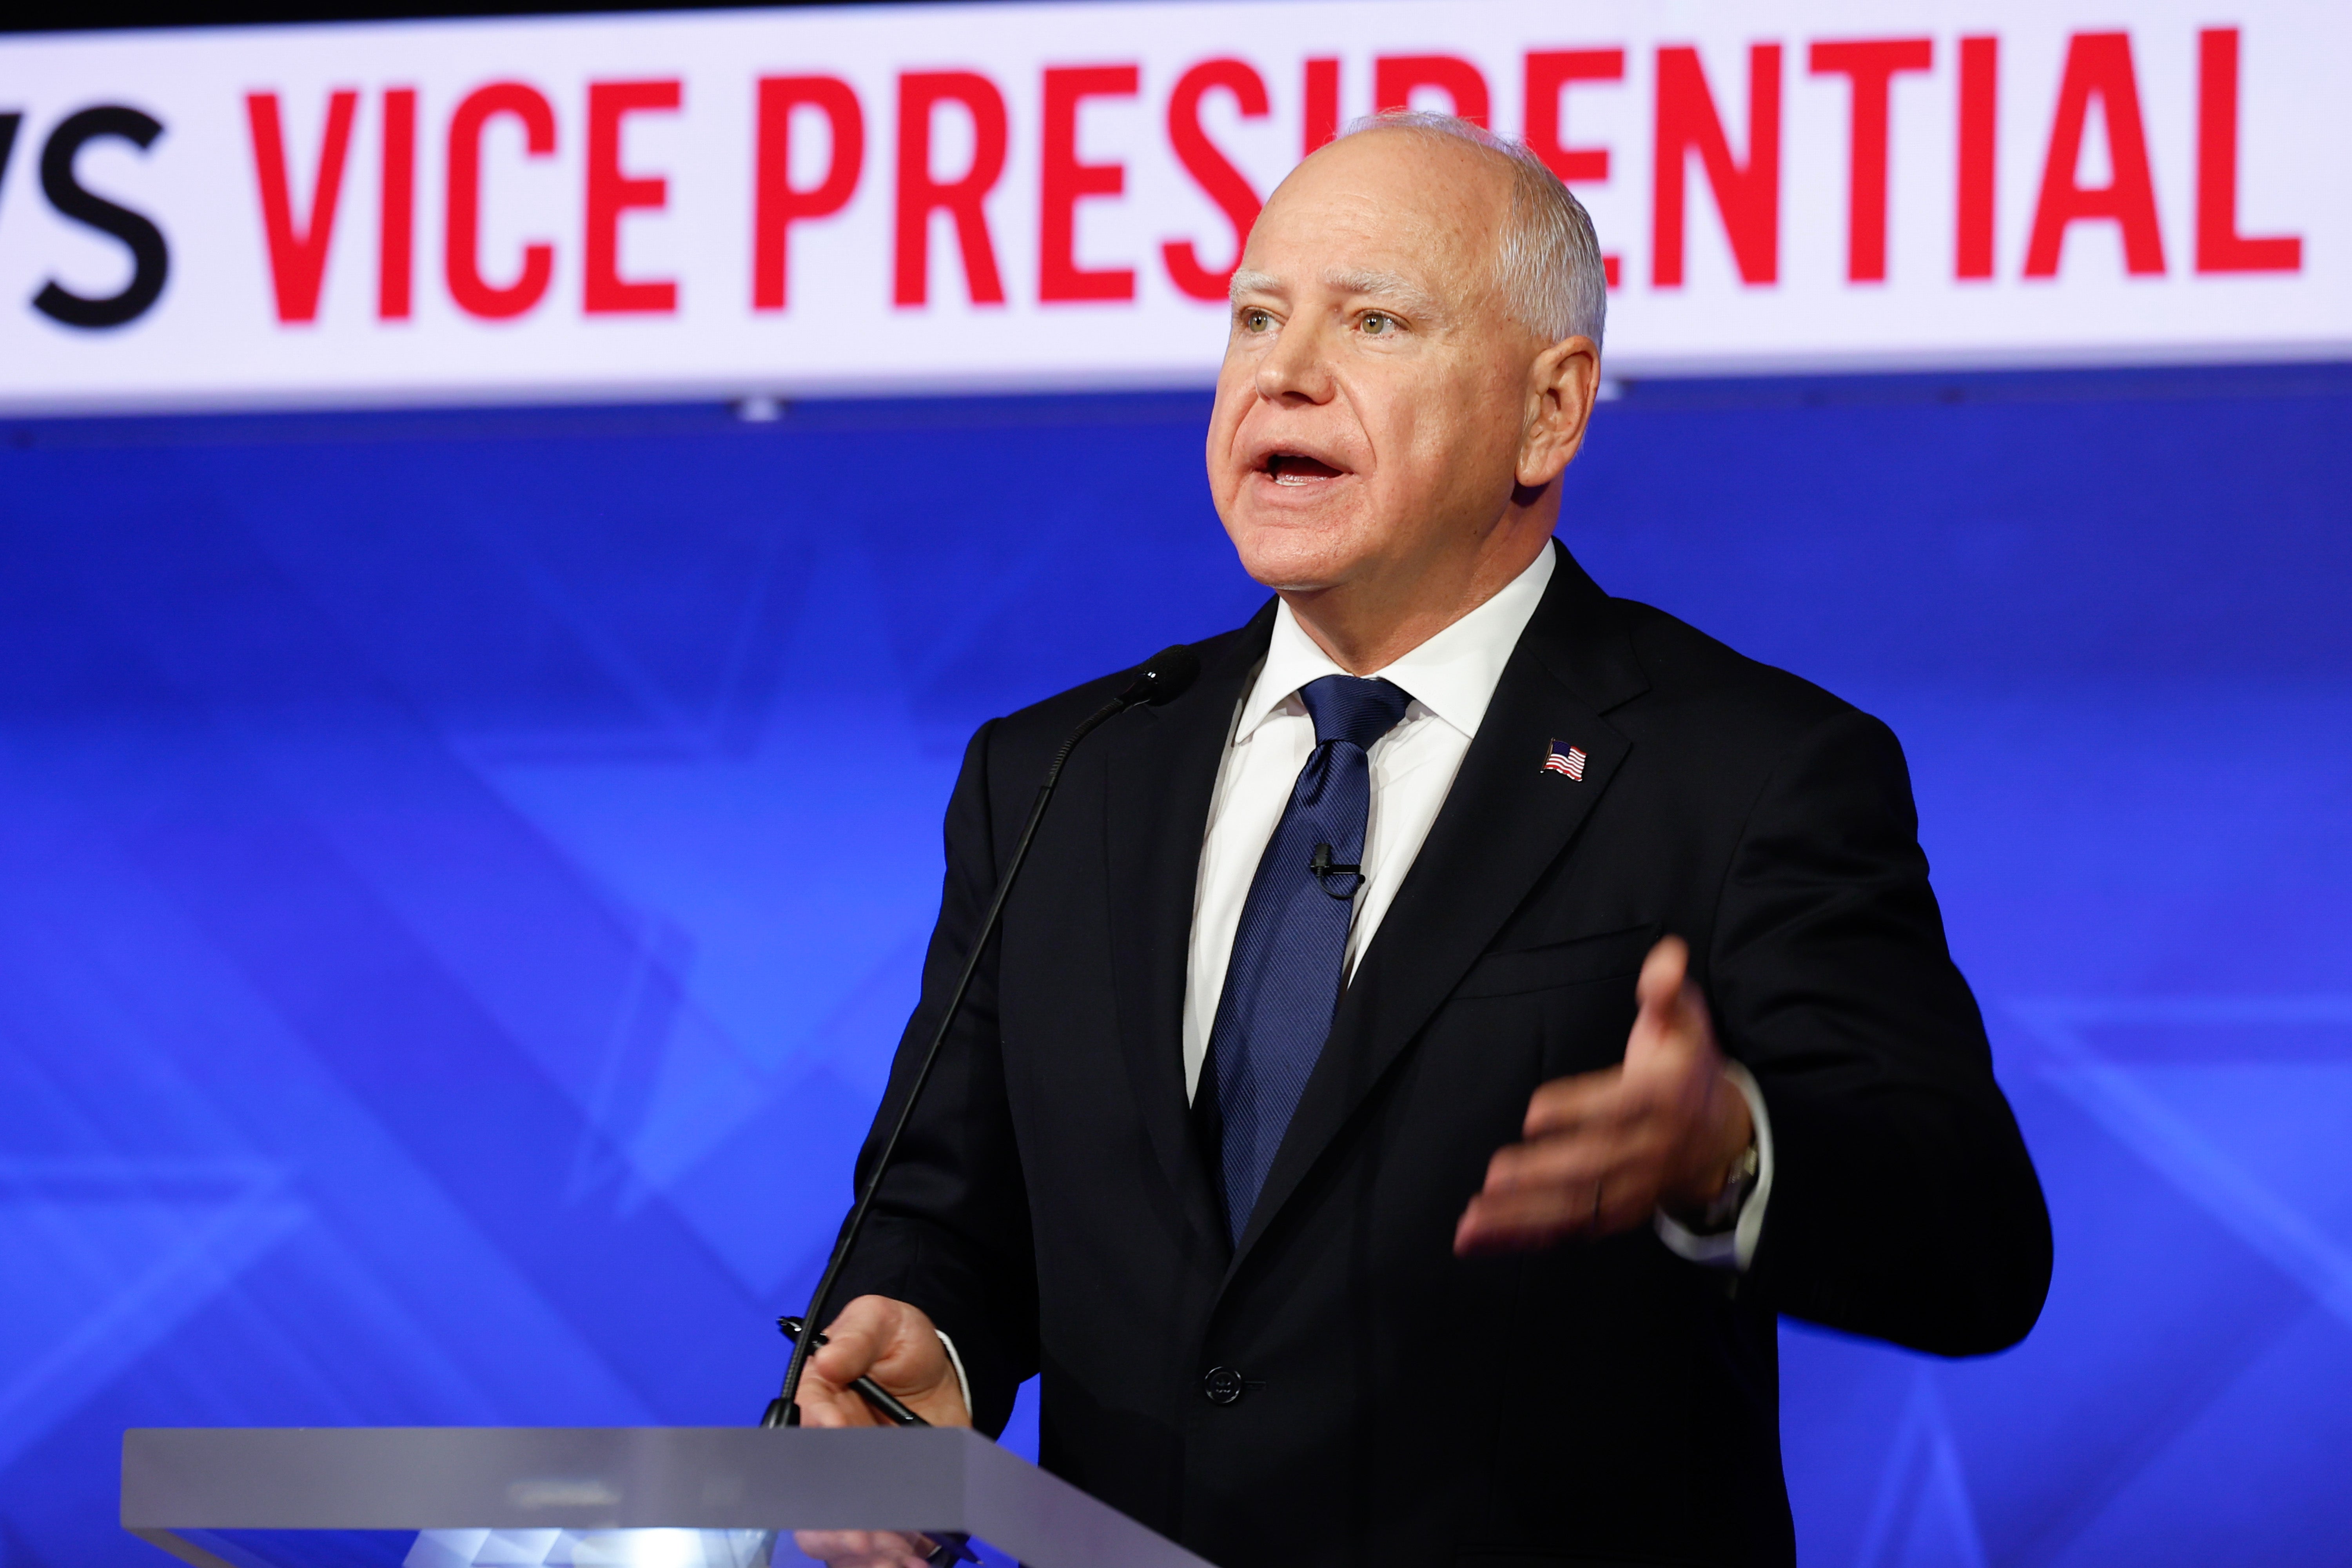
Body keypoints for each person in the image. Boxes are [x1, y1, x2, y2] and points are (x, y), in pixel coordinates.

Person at [791, 112, 2051, 1568]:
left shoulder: (1748, 772)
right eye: (1255, 316)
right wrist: (921, 1340)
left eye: (1372, 319)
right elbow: (944, 1204)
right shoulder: (1060, 771)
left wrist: (1731, 1155)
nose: (1286, 371)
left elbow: (1974, 1244)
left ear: (1549, 413)